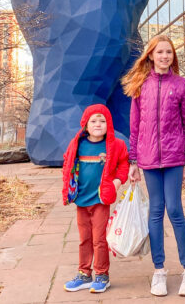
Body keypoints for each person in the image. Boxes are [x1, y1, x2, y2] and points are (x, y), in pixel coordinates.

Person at [123, 34, 185, 297]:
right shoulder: (140, 85)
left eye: (169, 52)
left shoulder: (181, 85)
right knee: (155, 212)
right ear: (151, 55)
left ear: (172, 56)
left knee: (175, 210)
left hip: (175, 158)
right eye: (160, 52)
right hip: (148, 159)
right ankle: (159, 271)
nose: (164, 56)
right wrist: (132, 160)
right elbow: (134, 126)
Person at [61, 103, 129, 294]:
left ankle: (102, 275)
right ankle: (84, 274)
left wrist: (116, 183)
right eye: (93, 120)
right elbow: (67, 162)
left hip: (100, 201)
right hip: (81, 201)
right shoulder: (77, 144)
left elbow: (123, 164)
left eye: (102, 120)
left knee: (99, 239)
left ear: (109, 124)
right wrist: (68, 186)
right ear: (85, 124)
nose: (98, 124)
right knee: (84, 239)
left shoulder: (116, 145)